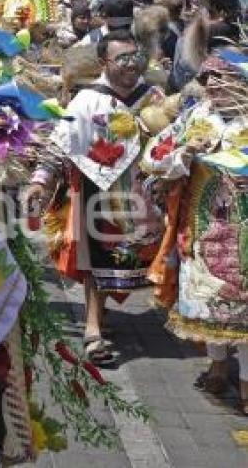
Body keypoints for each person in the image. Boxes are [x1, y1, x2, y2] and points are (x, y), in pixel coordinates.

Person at [23, 30, 169, 365]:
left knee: (136, 259)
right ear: (104, 62)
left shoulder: (155, 97)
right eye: (123, 59)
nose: (132, 65)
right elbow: (62, 142)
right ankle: (92, 330)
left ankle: (101, 316)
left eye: (137, 58)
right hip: (97, 191)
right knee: (95, 261)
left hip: (144, 198)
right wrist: (40, 181)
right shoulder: (88, 100)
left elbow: (173, 139)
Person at [142, 51, 248, 414]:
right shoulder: (195, 118)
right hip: (204, 229)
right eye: (207, 79)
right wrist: (184, 153)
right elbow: (153, 157)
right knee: (208, 303)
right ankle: (218, 365)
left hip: (244, 230)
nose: (214, 85)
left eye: (223, 77)